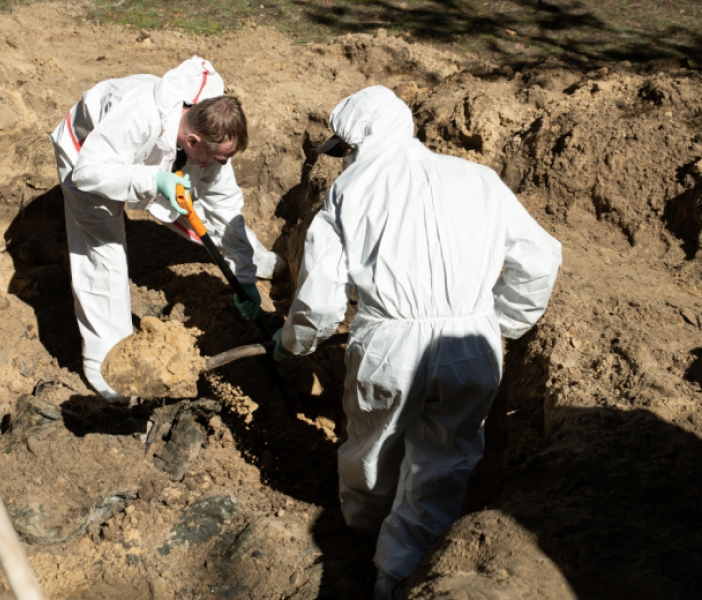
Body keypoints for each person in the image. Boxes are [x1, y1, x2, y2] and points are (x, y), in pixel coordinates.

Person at [271, 86, 562, 598]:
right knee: (444, 462)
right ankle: (399, 574)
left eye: (344, 152)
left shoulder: (349, 193)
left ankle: (362, 534)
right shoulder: (479, 180)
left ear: (356, 145)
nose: (343, 162)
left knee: (372, 449)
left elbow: (319, 302)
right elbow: (540, 259)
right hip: (472, 340)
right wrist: (502, 324)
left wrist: (294, 344)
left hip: (391, 344)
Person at [50, 56, 283, 401]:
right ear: (192, 141)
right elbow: (87, 172)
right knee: (105, 253)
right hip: (88, 152)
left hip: (153, 156)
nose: (222, 164)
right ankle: (109, 369)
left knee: (202, 209)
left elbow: (224, 206)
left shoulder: (209, 131)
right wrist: (152, 180)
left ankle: (256, 263)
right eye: (218, 158)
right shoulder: (139, 117)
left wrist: (244, 277)